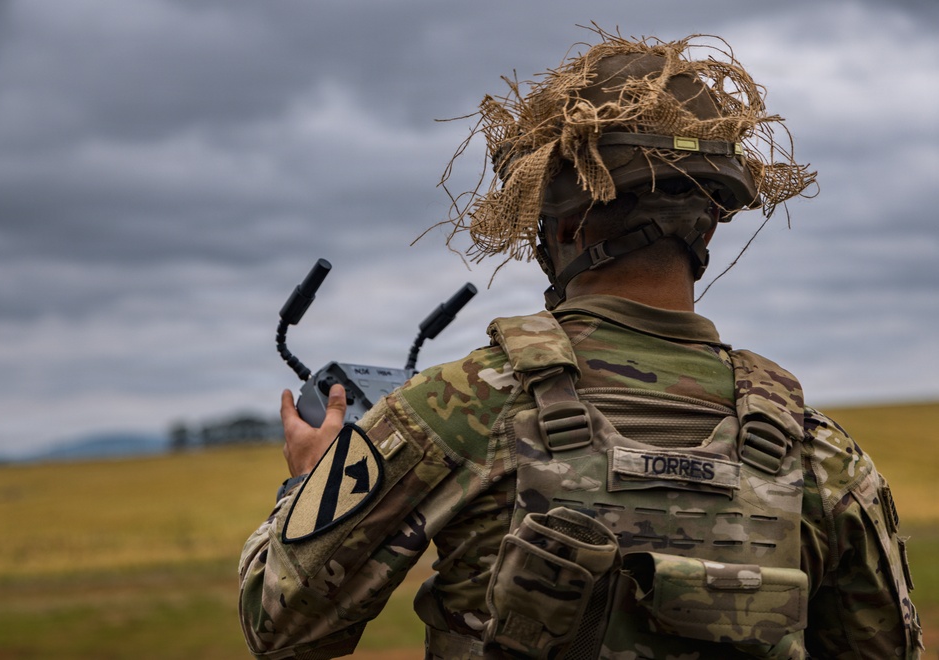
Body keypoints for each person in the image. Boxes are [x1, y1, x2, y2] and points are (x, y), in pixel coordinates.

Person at [239, 28, 922, 659]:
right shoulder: (820, 452)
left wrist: (304, 484)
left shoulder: (457, 408)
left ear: (561, 232)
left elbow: (281, 626)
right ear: (706, 231)